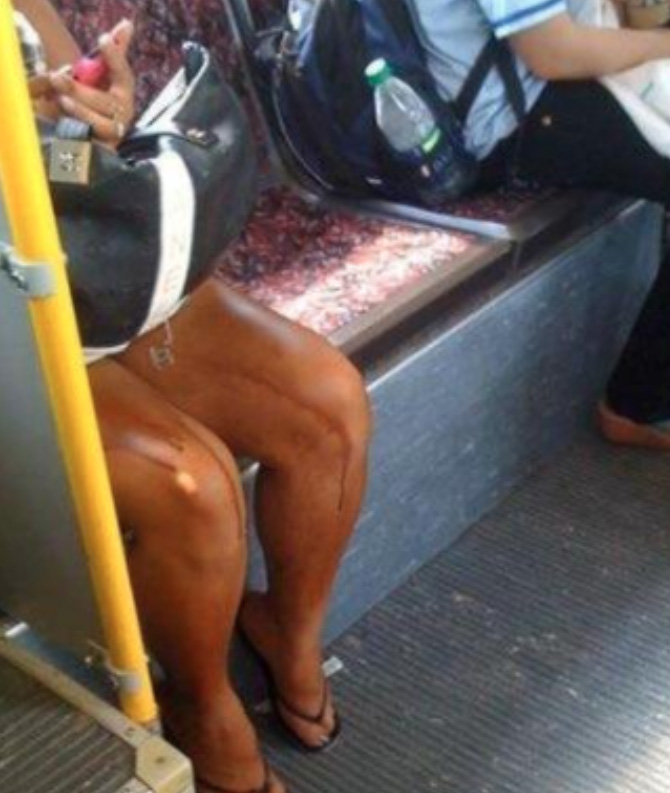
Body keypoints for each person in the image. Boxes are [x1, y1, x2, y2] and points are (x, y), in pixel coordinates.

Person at [15, 3, 372, 792]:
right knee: (193, 486)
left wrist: (97, 113)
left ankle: (287, 631)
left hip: (81, 256)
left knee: (328, 406)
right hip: (14, 312)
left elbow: (85, 118)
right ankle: (199, 699)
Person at [407, 0, 670, 449]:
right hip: (508, 120)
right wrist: (662, 43)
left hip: (538, 84)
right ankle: (639, 403)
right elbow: (554, 53)